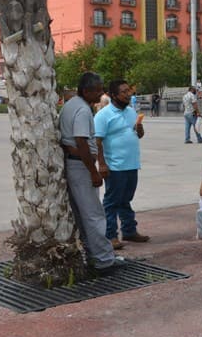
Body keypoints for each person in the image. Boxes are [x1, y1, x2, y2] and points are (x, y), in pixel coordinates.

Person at [59, 72, 124, 273]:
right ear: (86, 91)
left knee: (83, 214)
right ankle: (104, 260)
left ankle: (93, 255)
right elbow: (80, 140)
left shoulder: (72, 104)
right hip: (80, 166)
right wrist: (93, 172)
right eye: (97, 90)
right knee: (94, 215)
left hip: (76, 164)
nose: (101, 93)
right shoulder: (82, 110)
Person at [95, 79, 150, 250]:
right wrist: (102, 165)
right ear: (113, 95)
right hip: (115, 166)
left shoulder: (131, 112)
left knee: (126, 199)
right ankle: (110, 235)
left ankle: (129, 230)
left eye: (129, 91)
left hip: (131, 164)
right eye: (124, 92)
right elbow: (97, 141)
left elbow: (136, 133)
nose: (128, 94)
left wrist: (140, 131)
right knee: (112, 201)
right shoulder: (103, 115)